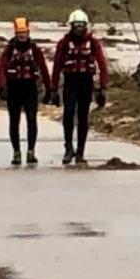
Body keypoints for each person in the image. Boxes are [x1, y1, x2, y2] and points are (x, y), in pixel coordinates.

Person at [50, 9, 108, 165]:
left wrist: (102, 88)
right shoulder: (63, 43)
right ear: (71, 26)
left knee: (83, 117)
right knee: (68, 113)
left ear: (85, 26)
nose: (78, 28)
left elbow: (102, 65)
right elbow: (56, 66)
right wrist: (53, 89)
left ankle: (80, 151)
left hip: (86, 82)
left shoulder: (93, 43)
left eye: (81, 25)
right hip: (70, 82)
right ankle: (69, 147)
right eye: (75, 25)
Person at [0, 17, 52, 166]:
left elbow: (44, 69)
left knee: (32, 120)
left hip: (30, 88)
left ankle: (31, 151)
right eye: (19, 32)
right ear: (15, 33)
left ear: (28, 32)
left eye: (24, 32)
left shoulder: (35, 50)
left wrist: (49, 89)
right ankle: (16, 152)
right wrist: (2, 86)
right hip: (13, 89)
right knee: (14, 122)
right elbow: (1, 68)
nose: (22, 35)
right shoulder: (9, 50)